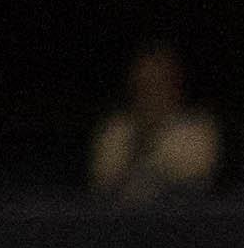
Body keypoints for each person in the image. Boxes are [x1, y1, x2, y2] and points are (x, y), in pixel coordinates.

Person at [87, 47, 221, 200]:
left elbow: (194, 178)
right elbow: (103, 178)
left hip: (180, 212)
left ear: (176, 85)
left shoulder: (197, 131)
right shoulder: (116, 130)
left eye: (159, 84)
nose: (150, 93)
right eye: (144, 84)